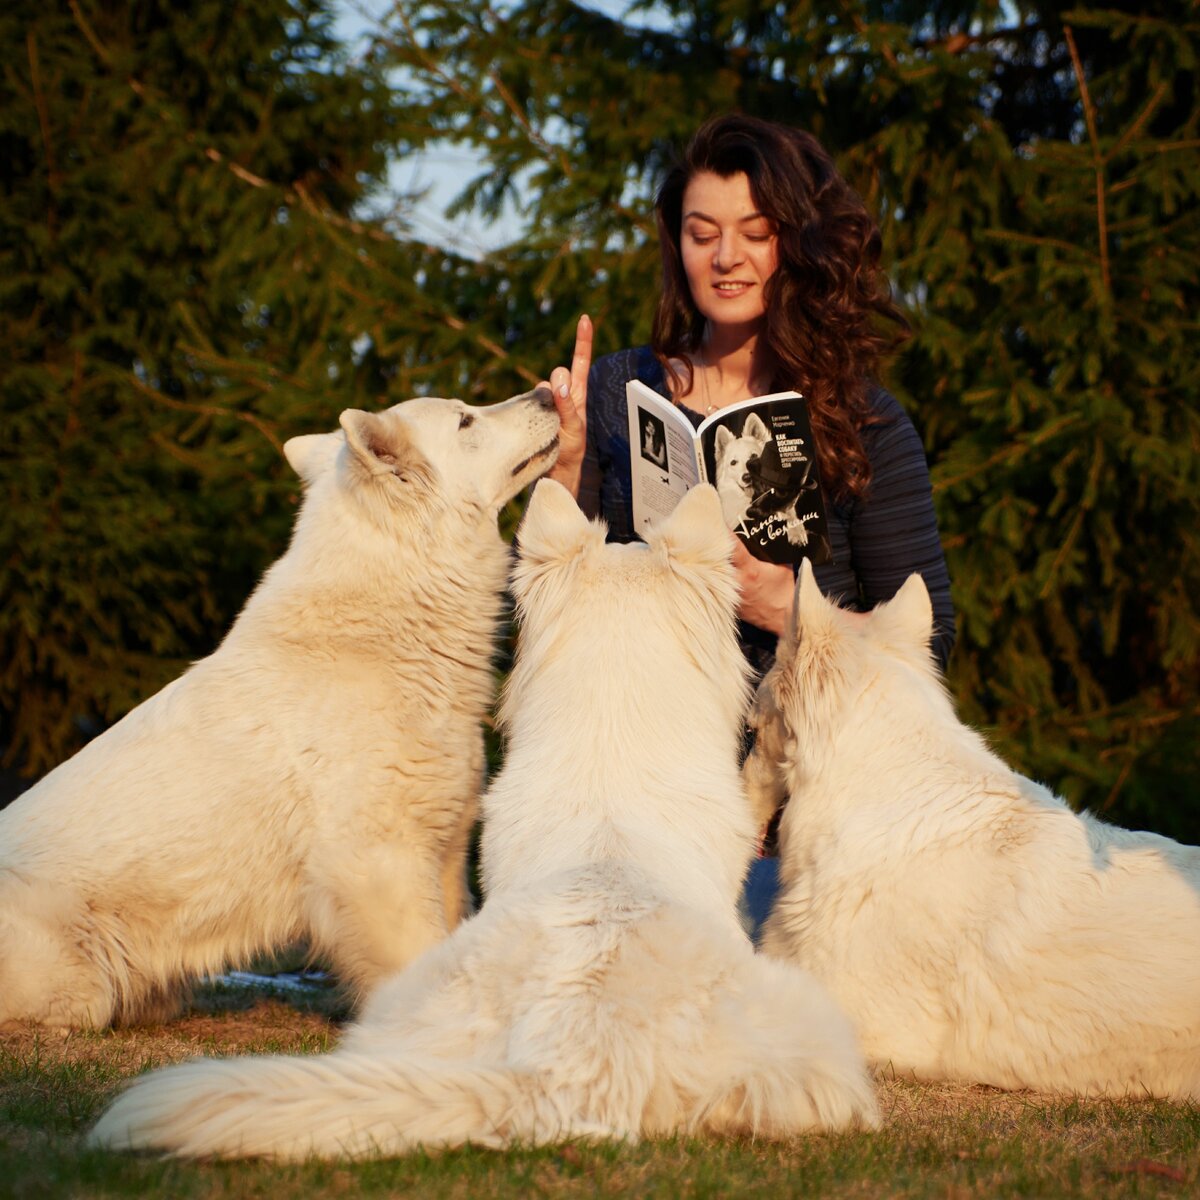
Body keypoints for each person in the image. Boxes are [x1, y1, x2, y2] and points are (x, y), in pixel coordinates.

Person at [540, 114, 956, 926]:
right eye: (702, 234)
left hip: (799, 810)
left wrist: (784, 608)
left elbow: (928, 646)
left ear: (795, 245)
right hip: (634, 791)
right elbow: (552, 612)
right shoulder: (619, 391)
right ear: (678, 245)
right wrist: (566, 468)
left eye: (755, 234)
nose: (725, 257)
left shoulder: (864, 422)